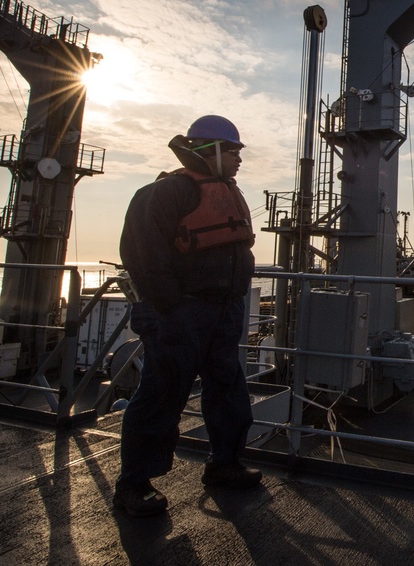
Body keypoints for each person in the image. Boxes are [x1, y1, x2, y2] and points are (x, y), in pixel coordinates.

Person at [113, 115, 261, 517]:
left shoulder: (229, 191)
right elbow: (143, 256)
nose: (238, 159)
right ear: (209, 150)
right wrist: (172, 310)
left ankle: (224, 464)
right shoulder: (164, 193)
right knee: (163, 393)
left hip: (224, 310)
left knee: (228, 389)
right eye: (233, 151)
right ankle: (134, 485)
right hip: (180, 311)